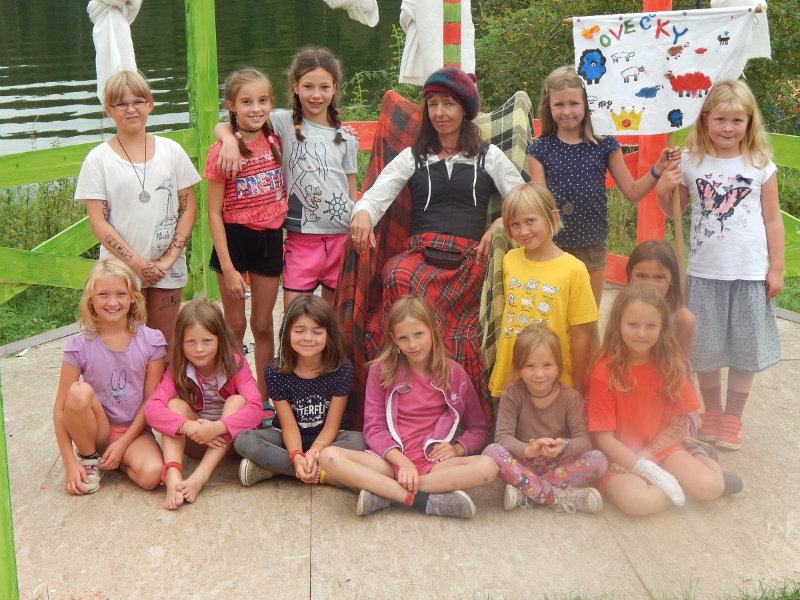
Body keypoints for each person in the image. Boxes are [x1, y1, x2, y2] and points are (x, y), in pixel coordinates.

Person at [348, 67, 525, 412]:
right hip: (420, 253)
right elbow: (374, 197)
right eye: (433, 105)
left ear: (465, 109)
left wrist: (501, 222)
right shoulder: (414, 156)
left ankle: (456, 406)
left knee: (465, 326)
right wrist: (364, 213)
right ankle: (398, 394)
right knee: (396, 272)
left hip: (468, 258)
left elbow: (524, 200)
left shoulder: (488, 156)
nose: (440, 113)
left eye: (448, 104)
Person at [656, 79, 783, 451]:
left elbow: (772, 219)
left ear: (749, 122)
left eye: (737, 121)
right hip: (705, 273)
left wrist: (776, 269)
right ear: (705, 119)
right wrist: (664, 187)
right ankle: (711, 412)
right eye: (720, 120)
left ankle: (733, 418)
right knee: (705, 348)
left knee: (745, 349)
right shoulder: (691, 161)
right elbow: (675, 211)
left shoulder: (760, 164)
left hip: (749, 273)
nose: (728, 128)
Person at [318, 295, 498, 519]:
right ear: (393, 338)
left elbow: (478, 428)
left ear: (434, 329)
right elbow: (373, 427)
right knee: (328, 456)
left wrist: (457, 450)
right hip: (389, 460)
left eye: (419, 334)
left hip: (434, 464)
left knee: (488, 467)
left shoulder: (454, 374)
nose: (413, 344)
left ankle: (385, 491)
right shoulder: (381, 371)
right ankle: (417, 500)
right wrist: (402, 463)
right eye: (403, 338)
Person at [214, 48, 358, 307]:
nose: (316, 95)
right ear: (295, 85)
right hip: (300, 237)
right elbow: (233, 122)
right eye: (308, 86)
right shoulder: (283, 122)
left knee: (333, 317)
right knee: (294, 314)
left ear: (335, 87)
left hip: (341, 236)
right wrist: (228, 140)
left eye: (324, 87)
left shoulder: (345, 137)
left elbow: (350, 191)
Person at [527, 66, 677, 306]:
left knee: (588, 315)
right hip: (552, 246)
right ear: (548, 106)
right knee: (552, 314)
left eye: (574, 103)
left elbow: (633, 192)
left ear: (587, 104)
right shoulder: (539, 150)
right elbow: (539, 206)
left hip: (592, 246)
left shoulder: (605, 144)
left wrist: (658, 169)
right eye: (559, 104)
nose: (567, 111)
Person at [75, 70, 199, 352]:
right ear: (109, 109)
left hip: (167, 267)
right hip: (120, 270)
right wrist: (138, 264)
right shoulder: (98, 160)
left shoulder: (171, 151)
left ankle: (163, 384)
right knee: (125, 344)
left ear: (150, 105)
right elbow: (99, 223)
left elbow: (188, 208)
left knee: (163, 343)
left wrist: (167, 260)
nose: (131, 109)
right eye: (121, 104)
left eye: (138, 102)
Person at [587, 283, 730, 516]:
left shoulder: (671, 365)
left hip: (662, 449)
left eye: (651, 326)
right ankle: (683, 486)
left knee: (711, 486)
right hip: (618, 458)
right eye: (633, 324)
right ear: (618, 324)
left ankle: (699, 458)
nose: (642, 333)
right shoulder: (604, 372)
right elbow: (604, 439)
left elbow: (679, 424)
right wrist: (643, 467)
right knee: (637, 502)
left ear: (663, 326)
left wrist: (645, 459)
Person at [203, 67, 287, 404]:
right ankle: (239, 394)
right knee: (235, 324)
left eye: (262, 100)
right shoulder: (222, 151)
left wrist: (344, 132)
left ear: (271, 103)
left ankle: (265, 400)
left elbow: (315, 123)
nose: (256, 108)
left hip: (269, 241)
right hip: (233, 241)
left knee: (263, 325)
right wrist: (227, 266)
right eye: (246, 102)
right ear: (232, 105)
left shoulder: (277, 137)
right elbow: (213, 212)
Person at [53, 258, 166, 495]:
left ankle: (112, 458)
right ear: (90, 300)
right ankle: (89, 457)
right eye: (103, 294)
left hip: (134, 430)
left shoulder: (152, 341)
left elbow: (151, 400)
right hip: (98, 429)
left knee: (153, 475)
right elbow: (61, 408)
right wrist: (69, 463)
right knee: (78, 392)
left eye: (121, 294)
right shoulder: (78, 345)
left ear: (133, 297)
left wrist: (122, 444)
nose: (112, 302)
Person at [233, 295, 366, 487]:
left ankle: (274, 469)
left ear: (329, 334)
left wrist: (315, 452)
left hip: (328, 440)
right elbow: (288, 426)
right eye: (299, 331)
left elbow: (331, 426)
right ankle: (325, 475)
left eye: (317, 332)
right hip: (287, 438)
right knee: (244, 440)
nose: (308, 338)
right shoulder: (275, 371)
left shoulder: (341, 368)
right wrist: (296, 455)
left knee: (360, 440)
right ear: (287, 333)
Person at [145, 300, 262, 509]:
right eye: (190, 341)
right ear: (180, 342)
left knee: (237, 401)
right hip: (197, 441)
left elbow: (256, 409)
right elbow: (152, 409)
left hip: (231, 444)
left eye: (207, 341)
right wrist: (189, 426)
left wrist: (217, 427)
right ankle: (173, 476)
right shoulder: (178, 369)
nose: (199, 349)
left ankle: (200, 476)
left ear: (220, 339)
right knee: (174, 406)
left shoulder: (235, 364)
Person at [487, 182, 598, 399]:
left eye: (530, 221)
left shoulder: (574, 269)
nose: (524, 231)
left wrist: (578, 388)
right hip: (513, 376)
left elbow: (580, 336)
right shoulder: (509, 260)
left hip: (554, 381)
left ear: (552, 217)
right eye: (515, 224)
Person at [483, 325, 607, 514]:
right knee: (491, 452)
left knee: (598, 459)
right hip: (522, 463)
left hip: (558, 464)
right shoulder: (513, 393)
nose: (539, 374)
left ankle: (527, 492)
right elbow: (502, 437)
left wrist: (564, 446)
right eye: (530, 366)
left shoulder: (571, 398)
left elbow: (584, 440)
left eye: (547, 365)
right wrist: (527, 450)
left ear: (559, 366)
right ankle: (557, 497)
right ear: (519, 367)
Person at [626, 239, 700, 439]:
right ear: (630, 274)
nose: (649, 284)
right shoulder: (623, 311)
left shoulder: (682, 319)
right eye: (641, 276)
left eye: (659, 277)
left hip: (667, 393)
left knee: (676, 442)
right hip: (628, 387)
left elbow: (679, 371)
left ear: (672, 279)